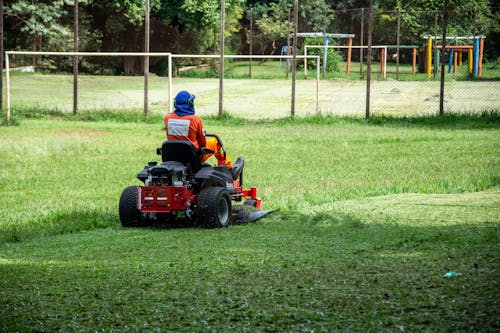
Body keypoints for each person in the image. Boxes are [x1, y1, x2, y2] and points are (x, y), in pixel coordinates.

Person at [164, 90, 232, 169]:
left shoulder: (167, 118)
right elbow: (202, 143)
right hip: (193, 157)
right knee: (215, 142)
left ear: (175, 103)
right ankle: (227, 167)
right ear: (191, 103)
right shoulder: (195, 119)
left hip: (173, 156)